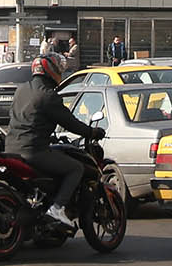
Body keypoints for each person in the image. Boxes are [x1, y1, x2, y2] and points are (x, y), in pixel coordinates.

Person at [6, 52, 104, 229]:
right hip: (34, 151)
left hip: (11, 149)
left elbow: (24, 118)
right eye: (59, 68)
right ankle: (57, 208)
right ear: (51, 70)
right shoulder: (48, 96)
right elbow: (70, 122)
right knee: (76, 168)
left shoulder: (21, 90)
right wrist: (92, 132)